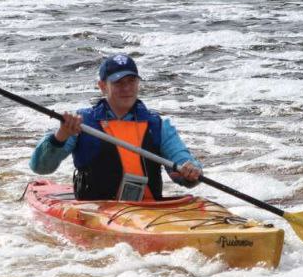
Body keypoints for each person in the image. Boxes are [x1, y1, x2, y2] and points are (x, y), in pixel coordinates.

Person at [30, 54, 203, 200]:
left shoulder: (157, 125)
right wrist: (61, 136)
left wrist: (190, 172)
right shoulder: (81, 123)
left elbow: (182, 163)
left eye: (131, 81)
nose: (126, 88)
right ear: (103, 86)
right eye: (118, 83)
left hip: (148, 213)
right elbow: (41, 167)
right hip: (95, 212)